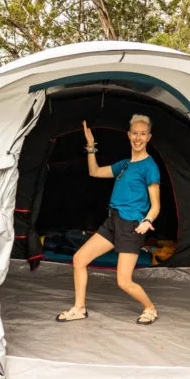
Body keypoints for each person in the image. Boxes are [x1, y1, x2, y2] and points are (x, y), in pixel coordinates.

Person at [56, 114, 161, 325]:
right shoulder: (124, 165)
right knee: (79, 259)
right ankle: (79, 308)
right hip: (112, 222)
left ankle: (150, 308)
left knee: (123, 281)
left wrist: (147, 221)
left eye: (142, 134)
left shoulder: (150, 167)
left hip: (131, 225)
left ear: (148, 137)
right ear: (128, 135)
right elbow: (94, 172)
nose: (138, 138)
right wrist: (90, 145)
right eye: (134, 133)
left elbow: (156, 205)